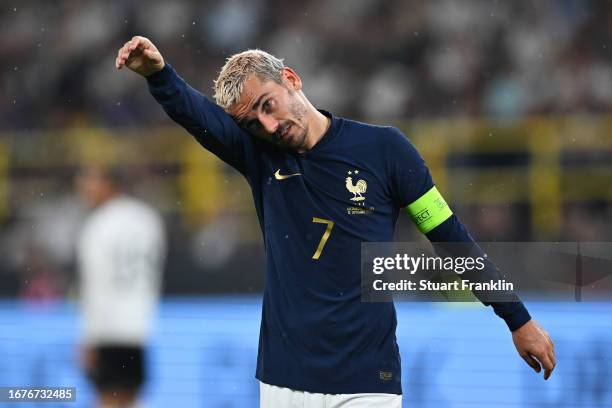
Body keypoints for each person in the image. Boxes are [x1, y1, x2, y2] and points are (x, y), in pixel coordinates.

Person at [115, 36, 555, 407]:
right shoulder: (260, 154)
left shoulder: (386, 151)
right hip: (283, 380)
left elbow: (450, 238)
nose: (269, 125)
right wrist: (159, 74)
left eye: (268, 105)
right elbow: (197, 115)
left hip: (367, 380)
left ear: (290, 80)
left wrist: (516, 318)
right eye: (254, 122)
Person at [76, 164, 166, 408]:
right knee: (132, 396)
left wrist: (89, 335)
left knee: (107, 398)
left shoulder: (98, 224)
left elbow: (96, 282)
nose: (85, 189)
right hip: (139, 323)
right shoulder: (147, 217)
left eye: (90, 182)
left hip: (108, 327)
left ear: (107, 185)